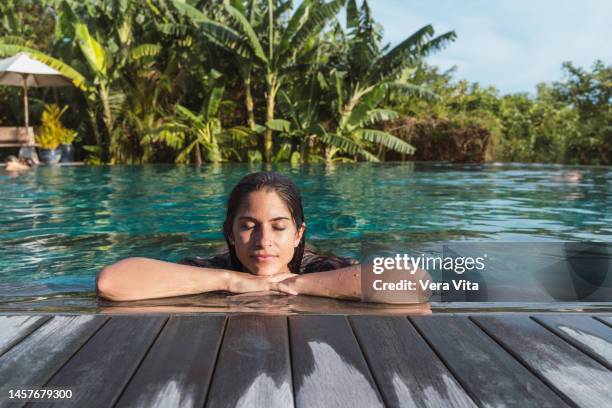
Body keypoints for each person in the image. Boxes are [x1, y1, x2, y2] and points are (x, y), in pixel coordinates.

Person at [96, 171, 430, 304]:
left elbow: (415, 283)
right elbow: (111, 282)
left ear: (299, 234)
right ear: (230, 231)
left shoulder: (322, 267)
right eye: (248, 225)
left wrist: (292, 284)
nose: (263, 240)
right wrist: (233, 279)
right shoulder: (212, 269)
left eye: (279, 226)